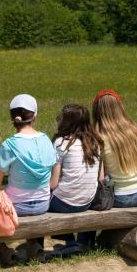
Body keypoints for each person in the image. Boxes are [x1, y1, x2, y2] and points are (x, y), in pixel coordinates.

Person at [0, 94, 56, 262]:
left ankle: (4, 250)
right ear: (34, 116)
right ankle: (34, 245)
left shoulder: (9, 145)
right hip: (42, 203)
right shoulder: (46, 140)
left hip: (17, 207)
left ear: (12, 118)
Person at [47, 104, 102, 255]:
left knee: (39, 199)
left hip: (64, 203)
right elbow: (100, 178)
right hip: (87, 201)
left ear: (67, 123)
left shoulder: (61, 142)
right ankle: (83, 242)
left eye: (60, 118)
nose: (57, 120)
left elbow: (53, 183)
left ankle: (70, 241)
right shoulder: (95, 143)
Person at [92, 90, 137, 208]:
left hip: (117, 196)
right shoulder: (134, 130)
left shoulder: (97, 136)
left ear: (96, 111)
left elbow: (100, 175)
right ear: (120, 107)